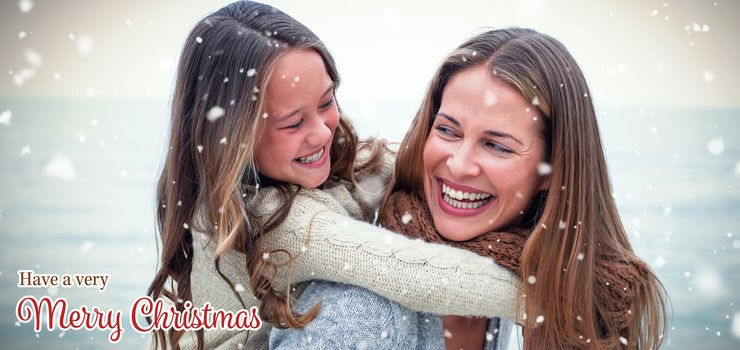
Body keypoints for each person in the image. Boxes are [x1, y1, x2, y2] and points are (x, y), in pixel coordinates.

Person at [147, 2, 523, 350]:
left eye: (327, 102)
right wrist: (544, 296)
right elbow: (409, 271)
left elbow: (405, 163)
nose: (323, 132)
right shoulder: (270, 219)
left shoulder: (321, 167)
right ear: (232, 139)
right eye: (294, 123)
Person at [271, 27, 668, 349]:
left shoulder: (518, 269)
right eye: (447, 130)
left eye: (496, 145)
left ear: (553, 169)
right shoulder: (358, 317)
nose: (459, 165)